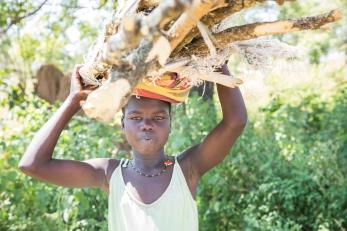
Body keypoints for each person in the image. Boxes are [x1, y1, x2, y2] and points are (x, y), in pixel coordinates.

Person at [18, 63, 247, 231]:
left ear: (170, 124)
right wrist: (74, 100)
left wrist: (217, 62)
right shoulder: (109, 173)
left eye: (158, 118)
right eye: (136, 117)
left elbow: (235, 121)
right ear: (122, 124)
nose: (147, 125)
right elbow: (32, 165)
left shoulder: (186, 169)